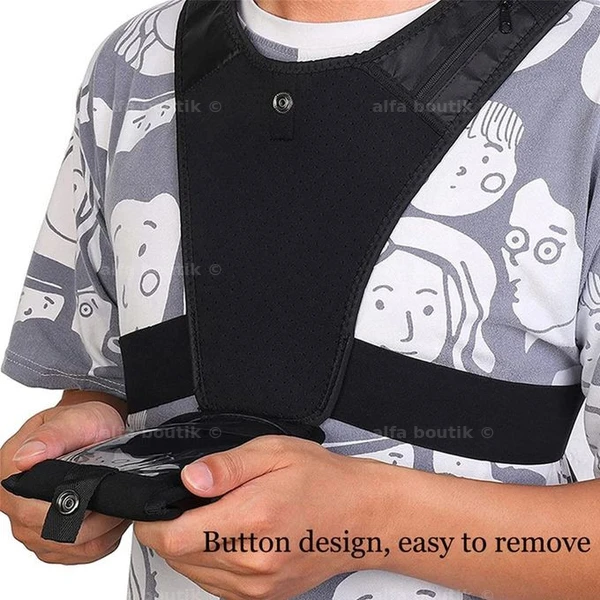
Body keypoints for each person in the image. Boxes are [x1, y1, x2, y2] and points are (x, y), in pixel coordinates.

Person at [2, 0, 600, 599]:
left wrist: (374, 522)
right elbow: (114, 384)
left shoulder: (582, 67)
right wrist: (80, 459)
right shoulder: (136, 62)